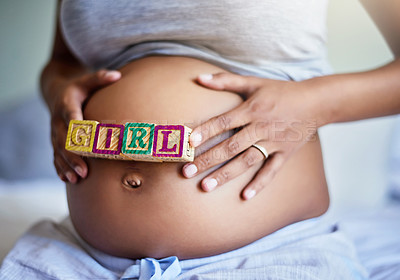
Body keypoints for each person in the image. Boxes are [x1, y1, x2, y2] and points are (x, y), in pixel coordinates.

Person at [1, 0, 399, 279]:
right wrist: (59, 93)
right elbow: (63, 63)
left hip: (265, 254)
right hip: (79, 256)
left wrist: (316, 103)